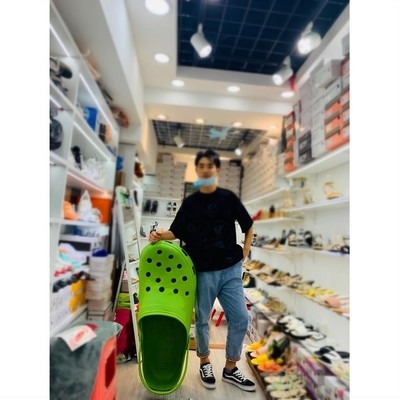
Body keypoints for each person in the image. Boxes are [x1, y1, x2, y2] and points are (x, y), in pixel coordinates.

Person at [149, 149, 256, 392]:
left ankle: (230, 368)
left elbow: (248, 225)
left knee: (240, 317)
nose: (206, 169)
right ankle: (205, 362)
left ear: (217, 169)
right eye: (202, 166)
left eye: (210, 165)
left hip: (230, 270)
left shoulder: (229, 198)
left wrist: (245, 251)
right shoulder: (190, 203)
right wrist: (158, 235)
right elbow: (176, 231)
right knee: (202, 320)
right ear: (197, 169)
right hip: (202, 270)